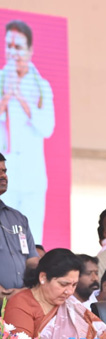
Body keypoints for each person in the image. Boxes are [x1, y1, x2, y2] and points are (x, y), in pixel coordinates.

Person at [3, 248, 106, 339]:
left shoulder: (71, 305)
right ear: (43, 277)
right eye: (64, 284)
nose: (70, 291)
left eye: (74, 285)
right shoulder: (21, 304)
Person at [0, 20, 55, 243]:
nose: (13, 52)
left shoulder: (41, 85)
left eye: (18, 47)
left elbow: (47, 127)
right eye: (9, 46)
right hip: (6, 175)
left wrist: (20, 97)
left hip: (33, 174)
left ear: (30, 50)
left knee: (32, 239)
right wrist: (7, 95)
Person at [0, 152, 38, 299]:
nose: (3, 176)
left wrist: (30, 290)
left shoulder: (18, 218)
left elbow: (32, 261)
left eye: (4, 171)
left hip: (20, 301)